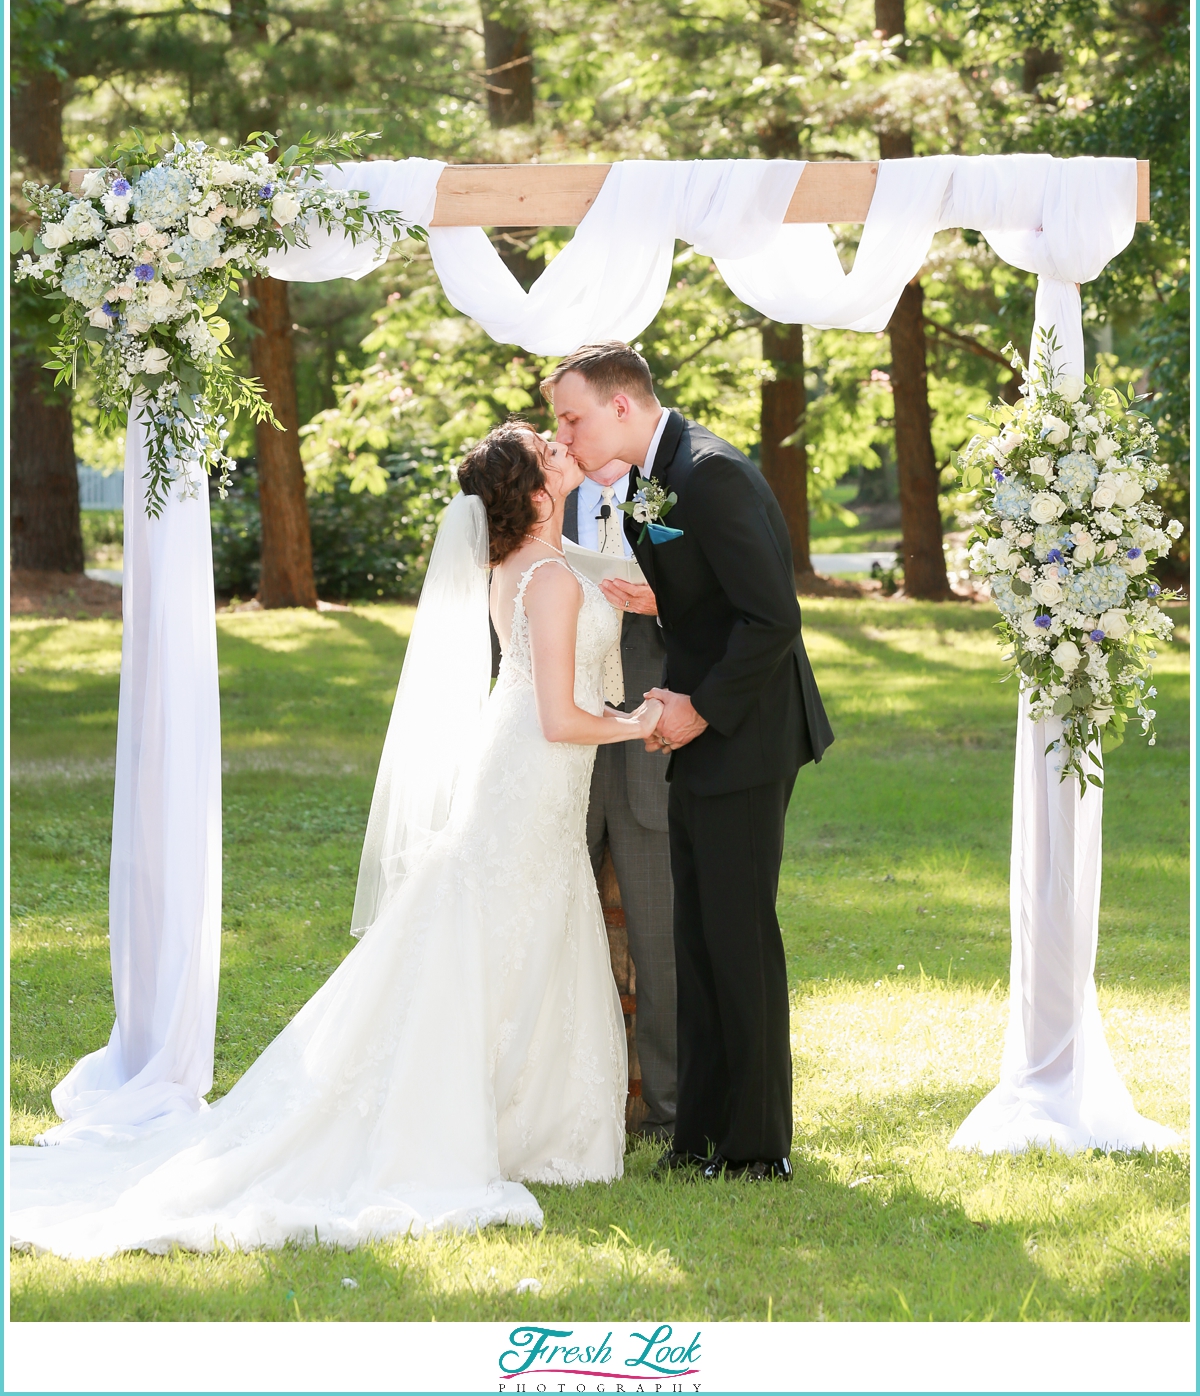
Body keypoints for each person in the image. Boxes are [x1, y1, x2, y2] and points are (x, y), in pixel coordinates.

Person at [10, 425, 663, 1258]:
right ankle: (483, 1122)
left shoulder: (536, 561)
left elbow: (574, 626)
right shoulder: (548, 578)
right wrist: (637, 720)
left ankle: (521, 1123)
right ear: (536, 491)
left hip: (526, 767)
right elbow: (561, 716)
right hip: (534, 766)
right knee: (504, 929)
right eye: (548, 448)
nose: (561, 445)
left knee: (521, 930)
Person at [547, 342, 834, 1183]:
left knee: (739, 938)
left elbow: (771, 619)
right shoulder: (654, 479)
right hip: (699, 732)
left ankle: (754, 1148)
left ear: (623, 407)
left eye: (573, 416)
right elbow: (716, 600)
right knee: (699, 934)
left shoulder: (710, 473)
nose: (563, 433)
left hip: (744, 736)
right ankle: (699, 1137)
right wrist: (662, 597)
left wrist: (695, 708)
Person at [564, 460, 677, 1146]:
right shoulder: (544, 492)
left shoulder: (673, 489)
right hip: (559, 745)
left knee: (662, 950)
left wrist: (665, 599)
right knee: (549, 934)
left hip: (648, 742)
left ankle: (667, 1114)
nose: (569, 434)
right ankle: (562, 1110)